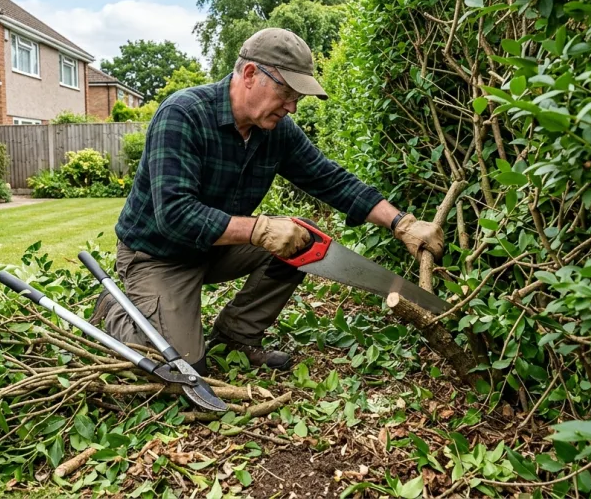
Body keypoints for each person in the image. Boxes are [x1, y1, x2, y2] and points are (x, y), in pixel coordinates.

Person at [91, 28, 444, 374]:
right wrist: (259, 229)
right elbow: (174, 215)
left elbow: (331, 179)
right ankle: (114, 311)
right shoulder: (183, 114)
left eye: (297, 97)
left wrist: (402, 223)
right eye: (286, 92)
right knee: (180, 366)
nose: (292, 107)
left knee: (304, 242)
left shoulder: (276, 132)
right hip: (159, 254)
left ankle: (236, 336)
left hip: (216, 247)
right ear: (250, 74)